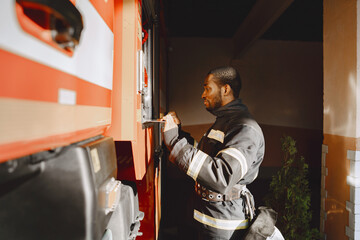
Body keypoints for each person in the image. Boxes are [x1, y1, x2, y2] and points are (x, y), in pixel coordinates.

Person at [162, 66, 265, 240]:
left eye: (207, 88)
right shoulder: (225, 122)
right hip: (207, 218)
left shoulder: (244, 128)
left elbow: (221, 176)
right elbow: (206, 158)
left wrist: (174, 142)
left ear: (225, 89)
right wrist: (178, 134)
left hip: (224, 227)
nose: (203, 94)